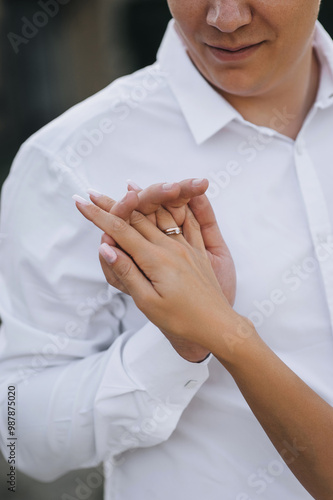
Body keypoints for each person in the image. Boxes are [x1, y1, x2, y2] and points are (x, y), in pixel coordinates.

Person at [1, 0, 333, 499]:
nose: (224, 18)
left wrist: (215, 327)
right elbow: (17, 433)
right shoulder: (68, 160)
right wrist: (178, 345)